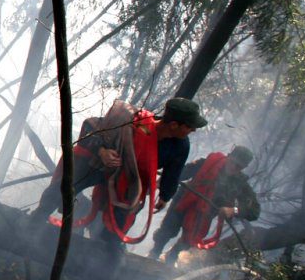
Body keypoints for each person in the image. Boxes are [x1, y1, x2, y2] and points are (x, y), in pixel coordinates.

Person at [30, 97, 207, 249]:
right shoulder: (134, 123)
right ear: (174, 125)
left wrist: (165, 196)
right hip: (100, 166)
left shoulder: (181, 145)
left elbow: (173, 172)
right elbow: (89, 127)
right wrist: (102, 151)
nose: (193, 130)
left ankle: (107, 246)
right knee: (69, 183)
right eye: (190, 126)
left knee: (128, 210)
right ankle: (37, 219)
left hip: (128, 180)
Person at [149, 145, 260, 264]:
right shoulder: (208, 163)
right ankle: (154, 253)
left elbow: (254, 211)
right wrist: (164, 182)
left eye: (239, 166)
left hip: (203, 215)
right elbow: (181, 172)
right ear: (229, 156)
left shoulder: (241, 184)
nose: (234, 167)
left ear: (243, 168)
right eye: (233, 162)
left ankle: (171, 257)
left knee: (188, 241)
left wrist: (234, 210)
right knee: (167, 231)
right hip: (184, 202)